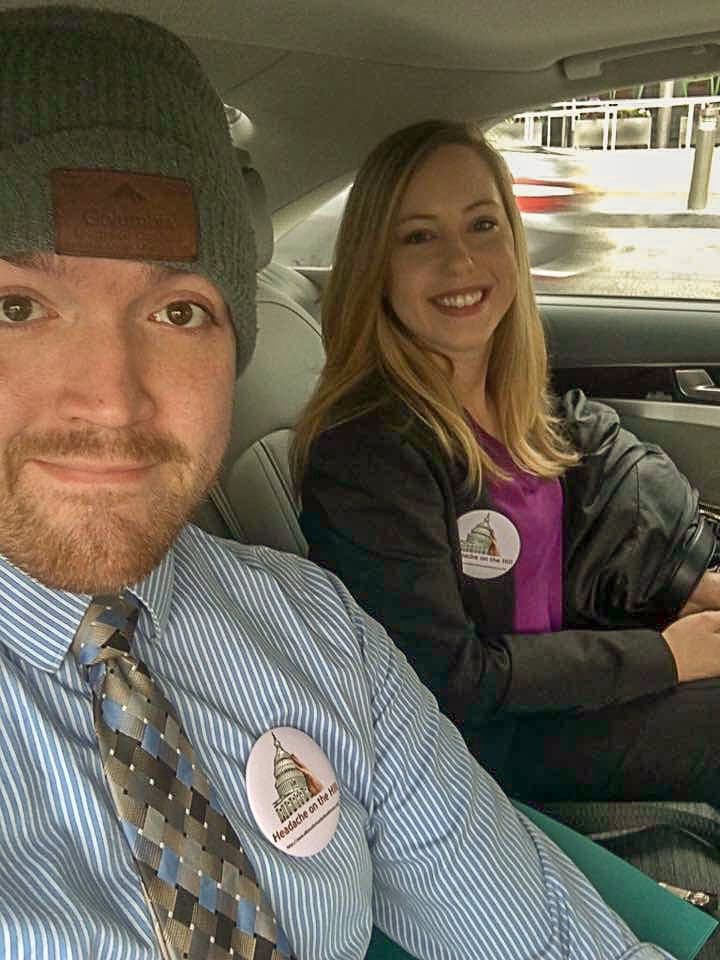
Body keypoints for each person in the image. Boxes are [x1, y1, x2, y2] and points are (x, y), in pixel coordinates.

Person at [0, 6, 679, 960]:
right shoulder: (375, 452)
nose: (112, 401)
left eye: (180, 311)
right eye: (18, 305)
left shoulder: (319, 638)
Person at [294, 118, 720, 804]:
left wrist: (694, 580)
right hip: (482, 743)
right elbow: (447, 680)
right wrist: (667, 656)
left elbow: (616, 492)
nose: (460, 263)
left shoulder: (523, 403)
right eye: (419, 236)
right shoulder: (365, 452)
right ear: (377, 263)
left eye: (482, 225)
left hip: (566, 687)